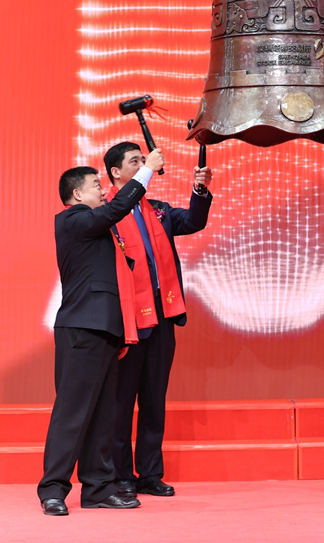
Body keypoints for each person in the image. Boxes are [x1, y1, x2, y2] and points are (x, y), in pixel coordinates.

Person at [37, 149, 163, 516]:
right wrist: (145, 173)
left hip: (107, 329)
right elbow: (115, 209)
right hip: (82, 328)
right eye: (96, 185)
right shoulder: (72, 220)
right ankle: (53, 490)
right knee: (72, 412)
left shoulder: (98, 227)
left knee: (104, 415)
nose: (103, 190)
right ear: (77, 194)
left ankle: (98, 488)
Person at [105, 142, 213, 498]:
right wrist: (148, 169)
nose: (143, 165)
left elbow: (194, 220)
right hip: (127, 320)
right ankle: (121, 474)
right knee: (122, 403)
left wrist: (199, 189)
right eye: (134, 162)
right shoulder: (106, 213)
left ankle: (150, 473)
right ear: (115, 173)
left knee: (153, 399)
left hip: (162, 314)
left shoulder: (159, 211)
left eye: (144, 160)